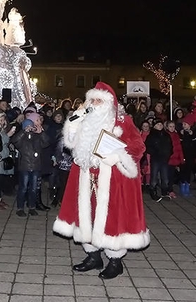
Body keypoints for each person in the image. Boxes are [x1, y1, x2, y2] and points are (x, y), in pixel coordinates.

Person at [53, 82, 149, 280]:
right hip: (86, 176)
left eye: (99, 100)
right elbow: (70, 142)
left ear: (109, 103)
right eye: (92, 99)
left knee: (112, 218)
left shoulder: (122, 121)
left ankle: (115, 261)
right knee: (86, 217)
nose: (95, 103)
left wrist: (117, 156)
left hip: (112, 178)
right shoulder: (84, 119)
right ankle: (93, 256)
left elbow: (138, 147)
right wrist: (73, 122)